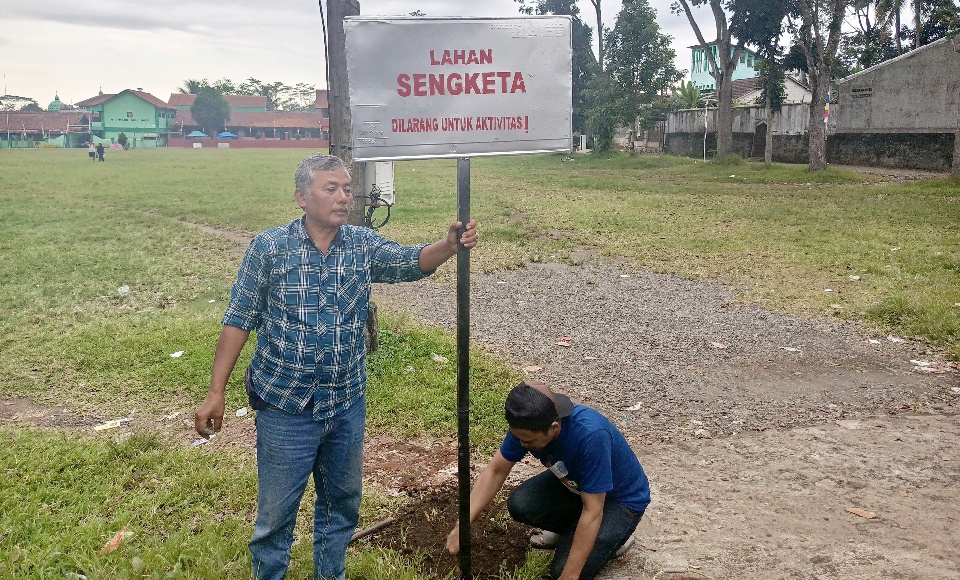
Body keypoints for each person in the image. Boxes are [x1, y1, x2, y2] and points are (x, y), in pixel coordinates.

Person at [194, 153, 478, 580]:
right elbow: (239, 319)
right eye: (332, 189)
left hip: (345, 403)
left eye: (347, 188)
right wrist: (215, 392)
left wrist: (449, 245)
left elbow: (408, 262)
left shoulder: (361, 245)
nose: (344, 197)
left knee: (341, 505)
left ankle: (331, 574)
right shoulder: (269, 248)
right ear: (301, 197)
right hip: (285, 405)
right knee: (276, 517)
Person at [447, 381, 650, 580]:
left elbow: (593, 510)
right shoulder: (528, 426)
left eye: (528, 441)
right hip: (577, 486)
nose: (521, 444)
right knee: (521, 503)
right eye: (518, 438)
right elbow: (495, 471)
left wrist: (569, 576)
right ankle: (573, 532)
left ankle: (616, 539)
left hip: (620, 502)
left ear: (554, 427)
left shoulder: (591, 436)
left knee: (562, 570)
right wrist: (461, 526)